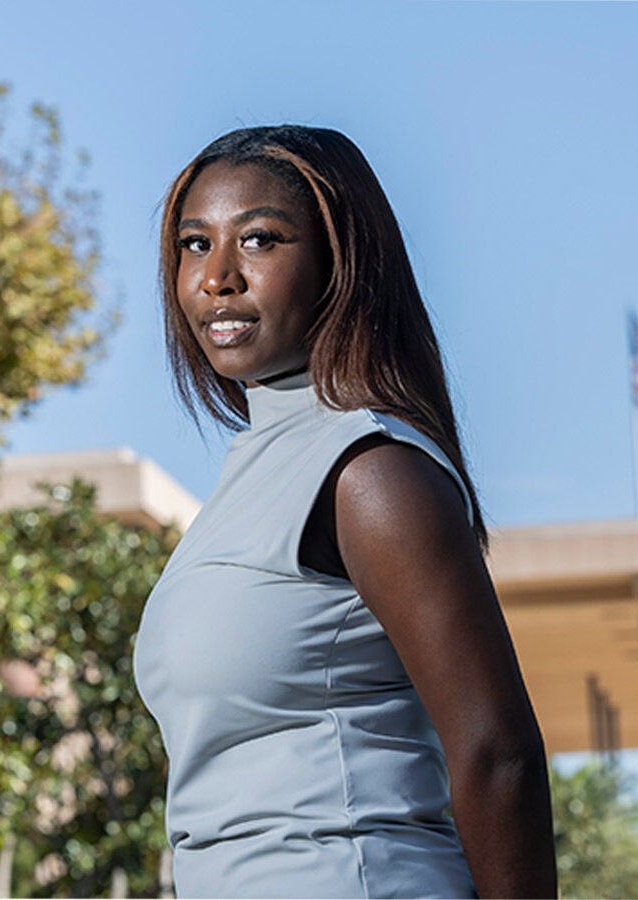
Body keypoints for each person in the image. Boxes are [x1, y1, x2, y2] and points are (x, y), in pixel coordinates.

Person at [132, 124, 557, 899]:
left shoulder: (370, 470)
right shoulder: (251, 475)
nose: (218, 276)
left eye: (259, 240)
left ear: (340, 263)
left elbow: (497, 753)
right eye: (195, 245)